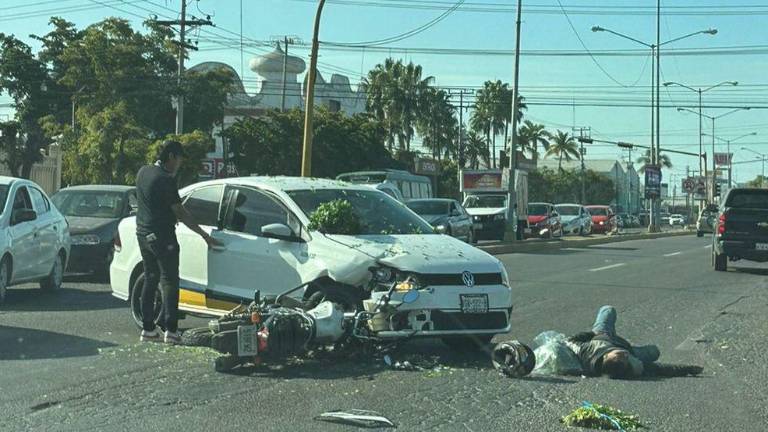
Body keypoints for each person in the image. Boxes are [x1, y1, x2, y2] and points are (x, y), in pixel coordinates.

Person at [135, 140, 223, 344]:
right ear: (172, 156)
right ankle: (171, 329)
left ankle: (148, 328)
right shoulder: (165, 179)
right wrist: (204, 235)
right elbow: (180, 212)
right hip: (162, 236)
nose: (180, 164)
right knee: (170, 281)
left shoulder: (143, 172)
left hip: (143, 234)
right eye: (180, 159)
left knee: (150, 277)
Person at [566, 305, 703, 379]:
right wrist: (688, 369)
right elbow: (660, 368)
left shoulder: (588, 352)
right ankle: (635, 348)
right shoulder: (630, 364)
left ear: (606, 356)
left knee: (608, 309)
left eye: (619, 355)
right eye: (625, 358)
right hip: (629, 347)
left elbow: (570, 341)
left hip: (602, 335)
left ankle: (600, 331)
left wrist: (592, 334)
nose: (624, 355)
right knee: (654, 352)